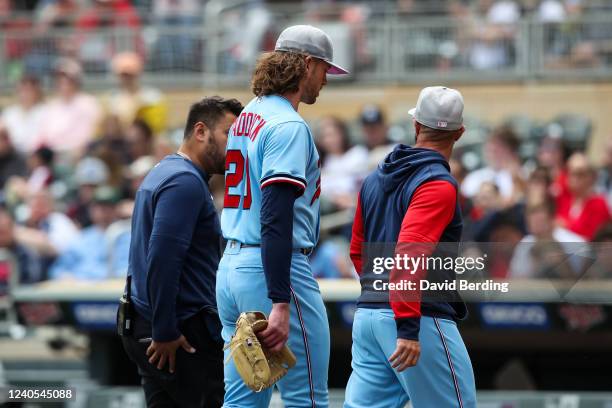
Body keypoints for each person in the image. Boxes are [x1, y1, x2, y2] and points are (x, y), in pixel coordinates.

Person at [217, 25, 348, 408]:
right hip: (274, 269)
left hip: (232, 267)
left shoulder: (249, 114)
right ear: (306, 65)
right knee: (306, 397)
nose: (325, 80)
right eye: (324, 69)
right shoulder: (289, 124)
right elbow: (276, 216)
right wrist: (279, 300)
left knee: (244, 400)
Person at [345, 86, 476, 408]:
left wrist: (378, 296)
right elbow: (409, 255)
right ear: (459, 133)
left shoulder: (374, 177)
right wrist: (405, 326)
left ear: (416, 126)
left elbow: (358, 250)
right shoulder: (437, 184)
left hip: (369, 316)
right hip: (417, 318)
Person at [120, 96, 242, 408]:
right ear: (201, 131)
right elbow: (162, 258)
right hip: (178, 333)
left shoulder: (167, 171)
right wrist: (164, 330)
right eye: (230, 134)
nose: (238, 146)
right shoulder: (184, 181)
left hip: (150, 323)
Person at [556, 152, 610, 240]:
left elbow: (595, 239)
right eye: (570, 172)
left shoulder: (599, 204)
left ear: (591, 177)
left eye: (579, 173)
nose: (573, 178)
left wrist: (565, 228)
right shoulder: (561, 198)